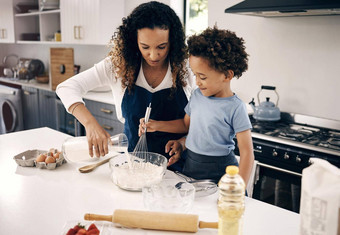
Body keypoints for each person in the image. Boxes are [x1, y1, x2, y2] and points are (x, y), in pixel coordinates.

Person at [56, 1, 195, 171]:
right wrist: (90, 124)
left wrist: (184, 143)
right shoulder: (118, 66)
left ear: (172, 41)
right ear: (133, 41)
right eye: (145, 47)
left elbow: (199, 122)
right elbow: (66, 87)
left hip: (179, 167)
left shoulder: (186, 68)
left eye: (161, 47)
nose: (153, 55)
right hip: (132, 166)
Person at [140, 26, 254, 184]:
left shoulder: (236, 107)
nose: (197, 81)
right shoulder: (197, 95)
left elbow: (247, 153)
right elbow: (186, 125)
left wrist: (238, 188)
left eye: (202, 76)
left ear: (227, 75)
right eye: (195, 75)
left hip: (222, 171)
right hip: (192, 166)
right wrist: (156, 125)